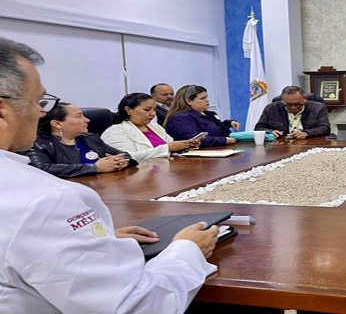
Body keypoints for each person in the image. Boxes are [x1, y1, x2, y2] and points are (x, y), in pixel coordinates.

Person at [0, 37, 219, 313]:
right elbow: (136, 306)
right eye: (38, 100)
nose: (41, 112)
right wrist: (187, 250)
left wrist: (89, 241)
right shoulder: (42, 200)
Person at [21, 102, 139, 178]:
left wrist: (122, 161)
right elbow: (42, 170)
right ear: (57, 124)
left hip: (103, 189)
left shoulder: (89, 138)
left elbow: (123, 154)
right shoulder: (37, 144)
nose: (87, 120)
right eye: (79, 116)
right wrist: (95, 167)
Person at [101, 93, 201, 160]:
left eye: (154, 110)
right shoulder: (115, 132)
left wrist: (183, 146)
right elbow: (126, 157)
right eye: (147, 110)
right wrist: (167, 148)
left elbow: (170, 146)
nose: (153, 114)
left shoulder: (155, 127)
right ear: (128, 110)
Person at [164, 85, 240, 147]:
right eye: (203, 98)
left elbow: (215, 128)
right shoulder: (180, 118)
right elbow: (195, 139)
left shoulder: (208, 113)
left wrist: (229, 123)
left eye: (206, 97)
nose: (207, 100)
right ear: (189, 101)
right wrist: (224, 140)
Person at [254, 86, 331, 139]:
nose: (293, 107)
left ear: (305, 99)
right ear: (282, 101)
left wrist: (306, 133)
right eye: (288, 104)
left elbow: (325, 128)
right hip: (280, 146)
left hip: (309, 144)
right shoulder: (271, 108)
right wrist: (270, 132)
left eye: (298, 104)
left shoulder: (318, 108)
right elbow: (258, 128)